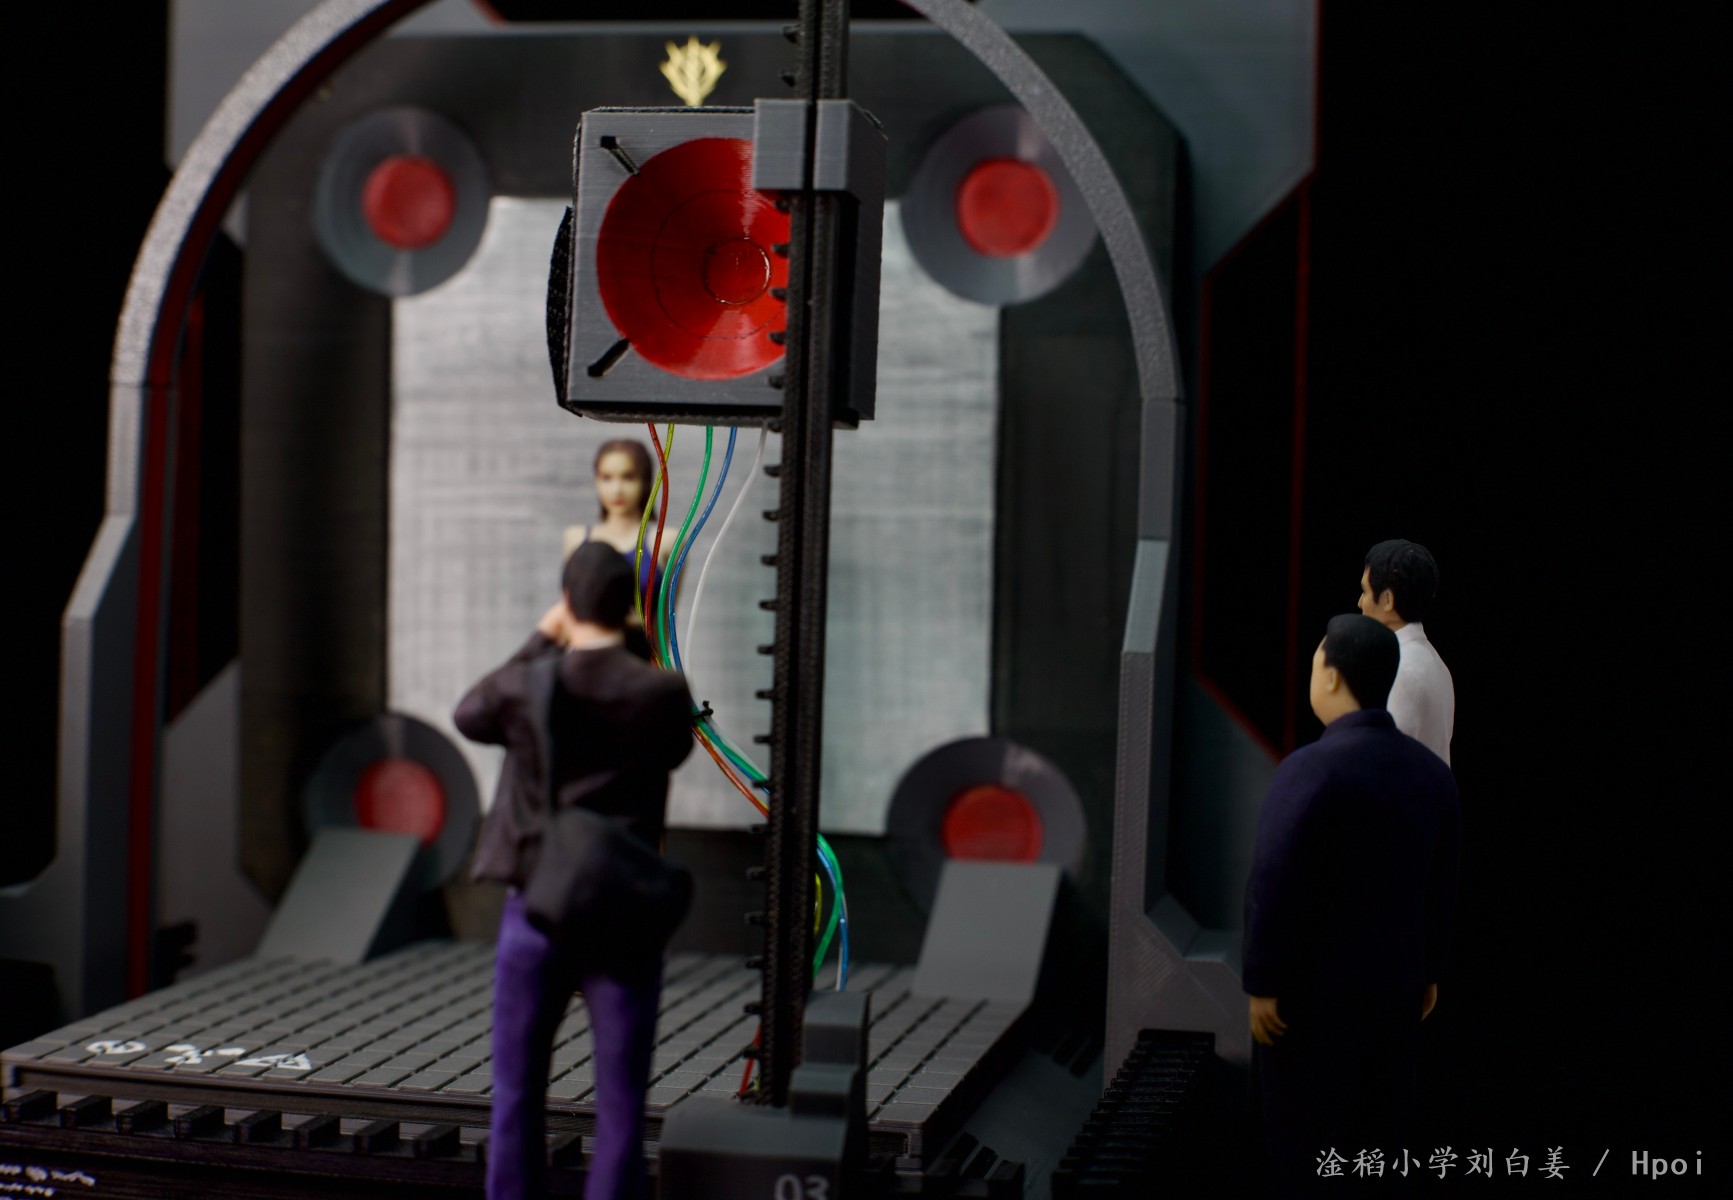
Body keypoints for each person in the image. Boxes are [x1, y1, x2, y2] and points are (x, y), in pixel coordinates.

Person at [456, 542, 695, 1200]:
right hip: (622, 910)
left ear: (567, 601)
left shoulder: (528, 685)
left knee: (516, 1091)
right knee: (621, 1102)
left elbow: (468, 713)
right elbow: (674, 751)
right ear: (628, 608)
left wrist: (542, 636)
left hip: (537, 904)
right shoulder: (660, 691)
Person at [1242, 614, 1460, 1197]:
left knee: (1304, 1139)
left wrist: (1262, 980)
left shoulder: (1309, 767)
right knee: (1378, 1133)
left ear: (1333, 678)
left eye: (1317, 664)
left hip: (1312, 996)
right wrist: (1431, 969)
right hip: (1396, 989)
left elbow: (1274, 879)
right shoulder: (1432, 775)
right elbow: (1442, 881)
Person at [1358, 539, 1455, 764]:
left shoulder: (1401, 669)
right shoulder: (1436, 664)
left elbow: (1386, 764)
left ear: (1387, 600)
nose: (1360, 602)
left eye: (1365, 591)